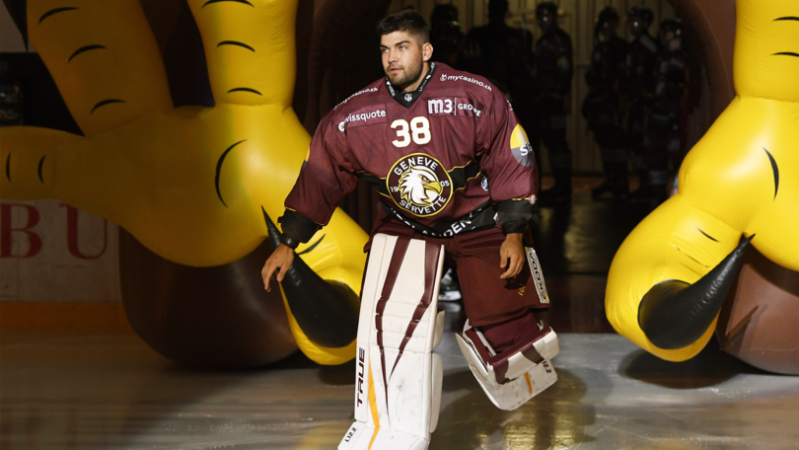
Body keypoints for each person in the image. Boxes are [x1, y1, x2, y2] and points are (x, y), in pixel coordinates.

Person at [261, 10, 556, 439]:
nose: (391, 58)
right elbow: (321, 176)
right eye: (384, 50)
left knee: (518, 345)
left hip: (476, 221)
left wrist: (512, 231)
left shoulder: (473, 95)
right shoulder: (354, 115)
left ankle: (496, 335)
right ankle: (396, 424)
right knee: (389, 330)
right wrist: (290, 241)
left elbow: (510, 157)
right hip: (407, 226)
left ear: (426, 49)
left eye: (401, 47)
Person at [583, 7, 629, 200]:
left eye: (610, 22)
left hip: (614, 103)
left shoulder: (620, 47)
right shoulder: (600, 47)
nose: (606, 27)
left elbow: (622, 76)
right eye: (604, 23)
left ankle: (620, 182)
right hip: (600, 103)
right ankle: (611, 179)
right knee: (604, 141)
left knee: (616, 141)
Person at [533, 1, 574, 205]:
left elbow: (564, 69)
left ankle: (563, 185)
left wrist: (557, 92)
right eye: (540, 16)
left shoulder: (557, 39)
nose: (543, 21)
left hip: (554, 99)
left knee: (557, 142)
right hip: (545, 98)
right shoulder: (546, 39)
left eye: (547, 16)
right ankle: (560, 185)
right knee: (552, 141)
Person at [621, 5, 660, 201]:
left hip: (645, 105)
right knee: (636, 145)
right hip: (635, 103)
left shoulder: (648, 45)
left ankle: (649, 189)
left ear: (645, 23)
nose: (631, 26)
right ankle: (643, 185)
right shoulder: (635, 45)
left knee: (645, 146)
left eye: (636, 21)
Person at [651, 18, 688, 182]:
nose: (664, 37)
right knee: (655, 153)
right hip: (659, 112)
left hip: (676, 115)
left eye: (668, 33)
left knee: (676, 154)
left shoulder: (684, 59)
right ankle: (656, 196)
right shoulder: (660, 56)